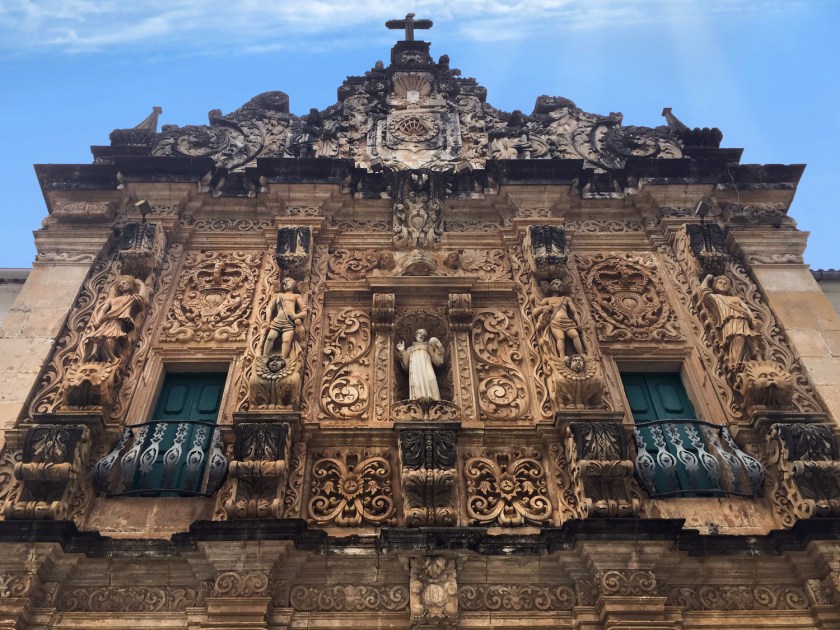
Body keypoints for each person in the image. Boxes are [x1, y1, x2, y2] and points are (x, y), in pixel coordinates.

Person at [82, 273, 152, 363]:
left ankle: (112, 358)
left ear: (130, 284)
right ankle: (93, 357)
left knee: (109, 338)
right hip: (108, 321)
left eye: (124, 283)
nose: (121, 286)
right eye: (120, 285)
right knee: (96, 339)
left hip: (119, 322)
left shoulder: (132, 298)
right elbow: (104, 309)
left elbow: (142, 299)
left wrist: (141, 284)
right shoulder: (113, 299)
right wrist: (97, 320)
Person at [699, 274, 760, 368]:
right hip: (729, 321)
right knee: (736, 338)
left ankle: (742, 361)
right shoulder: (716, 297)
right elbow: (703, 291)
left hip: (742, 319)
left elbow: (746, 309)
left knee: (744, 339)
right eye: (720, 282)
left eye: (725, 283)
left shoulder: (736, 298)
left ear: (729, 287)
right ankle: (735, 362)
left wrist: (753, 320)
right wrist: (707, 278)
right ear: (714, 285)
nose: (723, 284)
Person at [533, 278, 585, 358]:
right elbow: (535, 311)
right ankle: (562, 357)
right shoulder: (547, 299)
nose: (559, 286)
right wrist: (545, 307)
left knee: (575, 335)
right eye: (556, 284)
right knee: (560, 338)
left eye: (560, 285)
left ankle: (581, 354)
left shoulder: (566, 299)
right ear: (551, 286)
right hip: (555, 321)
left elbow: (574, 312)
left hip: (567, 321)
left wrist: (579, 323)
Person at [262, 277, 308, 360]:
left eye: (288, 281)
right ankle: (264, 358)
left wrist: (297, 316)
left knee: (286, 341)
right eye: (284, 282)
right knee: (270, 338)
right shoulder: (278, 295)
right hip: (277, 321)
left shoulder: (296, 296)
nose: (285, 283)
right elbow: (269, 308)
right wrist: (267, 320)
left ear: (293, 284)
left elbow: (304, 311)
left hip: (289, 323)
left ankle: (282, 360)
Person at [397, 328, 444, 401]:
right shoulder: (410, 349)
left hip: (427, 365)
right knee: (417, 383)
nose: (422, 335)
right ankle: (417, 400)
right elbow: (405, 363)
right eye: (420, 333)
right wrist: (402, 350)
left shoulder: (428, 347)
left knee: (432, 379)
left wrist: (439, 347)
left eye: (424, 334)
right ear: (416, 335)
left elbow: (437, 360)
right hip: (415, 368)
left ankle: (436, 400)